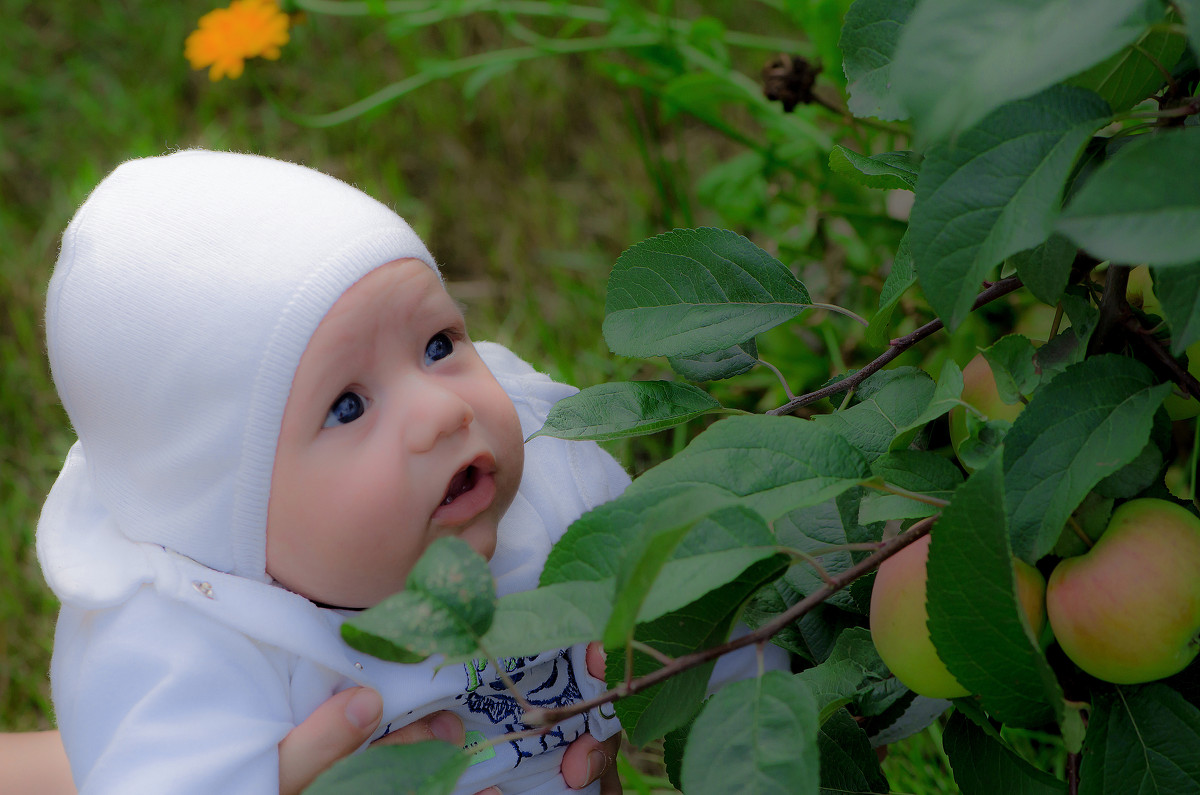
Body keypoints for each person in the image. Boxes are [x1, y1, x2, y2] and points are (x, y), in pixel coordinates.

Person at [36, 150, 631, 794]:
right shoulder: (192, 653)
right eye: (347, 408)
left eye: (438, 345)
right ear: (229, 521)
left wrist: (681, 651)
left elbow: (716, 605)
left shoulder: (555, 483)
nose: (441, 411)